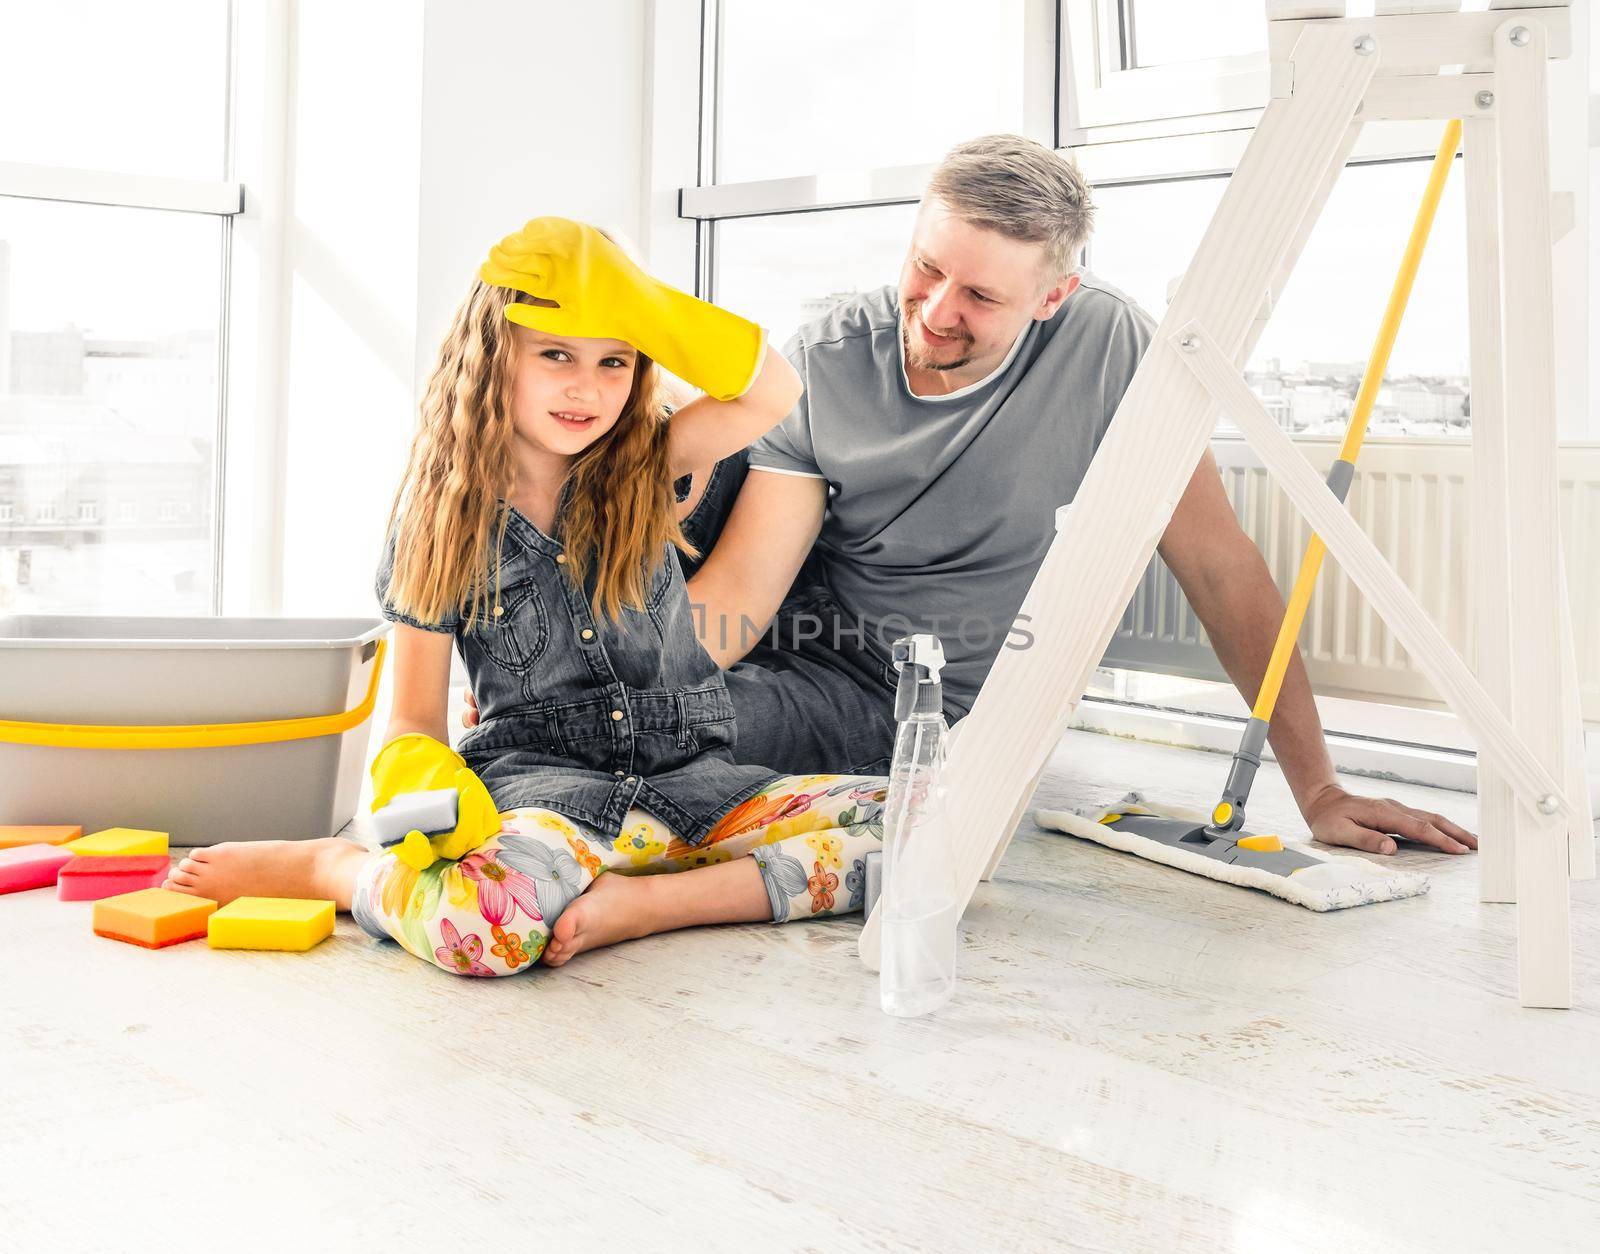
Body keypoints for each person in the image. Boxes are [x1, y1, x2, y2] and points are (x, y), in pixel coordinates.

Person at [468, 134, 1477, 859]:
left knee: (610, 738)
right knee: (657, 492)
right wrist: (584, 680)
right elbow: (740, 599)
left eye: (981, 297)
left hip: (911, 707)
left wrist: (1318, 786)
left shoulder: (1110, 350)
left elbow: (1219, 567)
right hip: (795, 655)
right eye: (926, 268)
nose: (936, 314)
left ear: (1052, 298)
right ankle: (508, 726)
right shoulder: (828, 354)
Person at [165, 218, 893, 975]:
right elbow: (413, 714)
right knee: (483, 931)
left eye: (615, 361)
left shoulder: (648, 461)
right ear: (492, 355)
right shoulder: (439, 520)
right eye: (555, 355)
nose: (587, 387)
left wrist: (637, 299)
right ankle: (338, 873)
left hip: (701, 786)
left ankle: (650, 901)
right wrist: (427, 791)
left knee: (920, 833)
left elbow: (771, 391)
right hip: (549, 796)